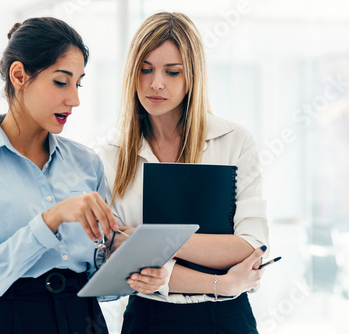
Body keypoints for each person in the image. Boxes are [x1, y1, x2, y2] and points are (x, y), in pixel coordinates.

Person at [0, 17, 168, 334]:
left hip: (81, 319)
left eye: (78, 83)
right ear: (19, 75)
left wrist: (132, 271)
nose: (74, 99)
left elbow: (94, 277)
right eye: (61, 82)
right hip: (3, 321)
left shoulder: (86, 162)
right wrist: (53, 217)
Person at [98, 12, 269, 333]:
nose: (155, 83)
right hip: (147, 318)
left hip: (226, 320)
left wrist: (149, 242)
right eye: (145, 69)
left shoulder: (233, 141)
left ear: (192, 76)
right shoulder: (112, 154)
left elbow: (249, 249)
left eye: (172, 72)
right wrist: (222, 282)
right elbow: (115, 256)